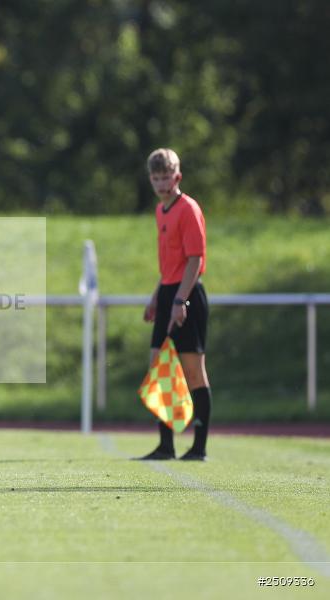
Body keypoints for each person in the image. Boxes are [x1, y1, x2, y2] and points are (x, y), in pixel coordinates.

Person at [138, 148, 212, 461]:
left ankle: (199, 447)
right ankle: (166, 445)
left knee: (193, 372)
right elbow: (170, 263)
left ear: (177, 176)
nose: (161, 182)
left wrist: (180, 299)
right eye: (156, 178)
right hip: (169, 292)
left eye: (166, 176)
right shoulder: (160, 210)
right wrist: (158, 296)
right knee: (159, 363)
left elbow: (195, 260)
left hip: (188, 295)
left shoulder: (188, 209)